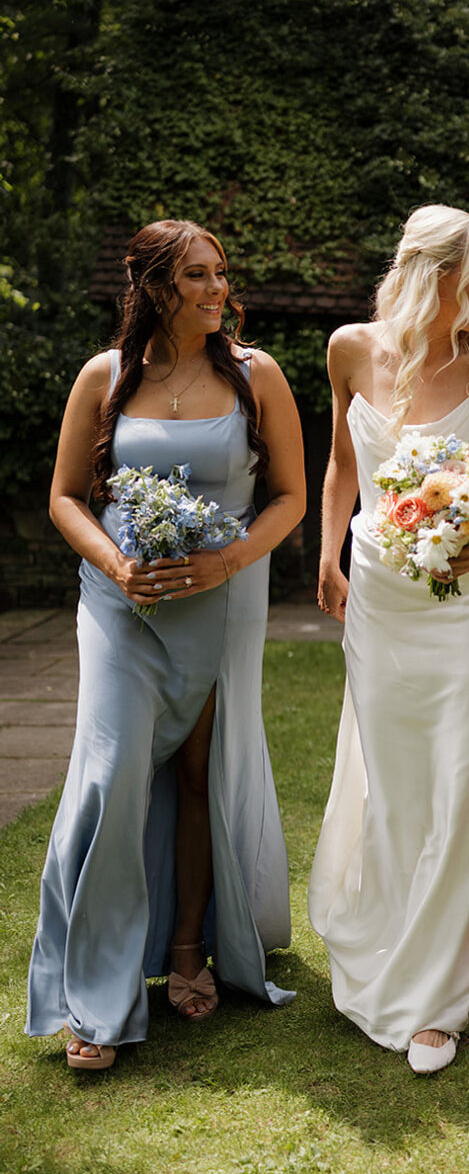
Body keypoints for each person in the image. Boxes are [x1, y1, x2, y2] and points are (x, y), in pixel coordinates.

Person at [27, 220, 305, 1070]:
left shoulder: (258, 376)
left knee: (198, 774)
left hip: (223, 601)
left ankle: (188, 950)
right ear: (151, 286)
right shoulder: (102, 377)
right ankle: (98, 997)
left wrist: (224, 561)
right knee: (111, 778)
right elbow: (66, 497)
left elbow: (290, 498)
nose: (217, 289)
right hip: (120, 604)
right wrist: (115, 564)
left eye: (220, 273)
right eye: (196, 276)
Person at [309, 204, 469, 1075]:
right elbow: (339, 463)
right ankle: (380, 956)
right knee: (396, 787)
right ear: (436, 271)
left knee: (460, 787)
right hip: (380, 599)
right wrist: (327, 553)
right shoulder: (350, 348)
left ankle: (438, 1000)